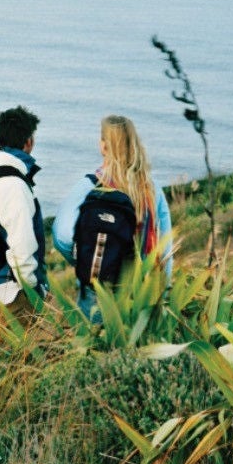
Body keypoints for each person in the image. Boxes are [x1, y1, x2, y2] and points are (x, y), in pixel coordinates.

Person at [52, 114, 173, 317]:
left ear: (103, 147)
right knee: (136, 347)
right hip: (141, 292)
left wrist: (85, 258)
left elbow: (62, 235)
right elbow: (165, 247)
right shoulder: (152, 190)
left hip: (98, 290)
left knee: (97, 345)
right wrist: (163, 291)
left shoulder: (90, 186)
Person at [0, 105, 47, 321]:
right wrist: (34, 292)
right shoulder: (13, 185)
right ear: (29, 142)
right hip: (12, 294)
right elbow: (22, 244)